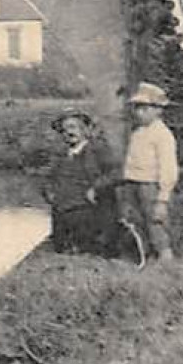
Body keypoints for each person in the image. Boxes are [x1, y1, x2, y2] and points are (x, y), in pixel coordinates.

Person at [41, 109, 120, 256]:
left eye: (73, 127)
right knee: (61, 248)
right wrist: (49, 192)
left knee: (87, 245)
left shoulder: (97, 149)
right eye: (64, 130)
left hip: (89, 208)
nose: (69, 133)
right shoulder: (60, 155)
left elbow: (116, 173)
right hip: (63, 208)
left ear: (84, 129)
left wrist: (96, 188)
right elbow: (48, 178)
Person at [118, 82, 178, 263]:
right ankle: (145, 258)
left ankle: (165, 259)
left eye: (144, 108)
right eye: (136, 108)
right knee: (136, 221)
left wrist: (163, 197)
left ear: (158, 110)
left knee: (156, 223)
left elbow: (168, 166)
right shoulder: (138, 132)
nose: (138, 113)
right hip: (133, 182)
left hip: (150, 185)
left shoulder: (162, 134)